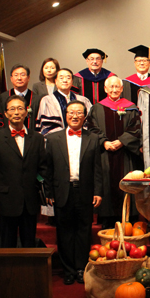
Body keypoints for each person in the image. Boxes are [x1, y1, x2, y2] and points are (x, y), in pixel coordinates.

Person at [45, 101, 102, 285]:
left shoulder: (93, 138)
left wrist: (98, 191)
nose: (75, 116)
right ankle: (68, 270)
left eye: (79, 112)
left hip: (84, 191)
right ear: (65, 115)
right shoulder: (53, 139)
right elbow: (48, 169)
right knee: (64, 232)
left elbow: (97, 168)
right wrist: (49, 192)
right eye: (71, 112)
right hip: (62, 191)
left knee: (84, 231)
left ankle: (81, 268)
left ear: (85, 116)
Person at [0, 95, 47, 248]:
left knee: (29, 242)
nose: (16, 112)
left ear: (27, 112)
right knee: (7, 243)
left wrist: (42, 189)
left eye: (20, 108)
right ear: (6, 114)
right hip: (6, 200)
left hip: (30, 200)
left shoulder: (37, 138)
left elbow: (43, 167)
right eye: (12, 109)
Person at [87, 76, 142, 228]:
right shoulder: (97, 108)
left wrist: (122, 141)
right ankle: (107, 223)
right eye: (111, 87)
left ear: (122, 88)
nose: (114, 89)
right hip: (105, 156)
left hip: (125, 155)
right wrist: (104, 142)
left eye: (117, 87)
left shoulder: (131, 107)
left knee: (126, 185)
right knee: (106, 184)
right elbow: (91, 128)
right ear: (105, 89)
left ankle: (128, 221)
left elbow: (136, 128)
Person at [36, 68, 92, 137]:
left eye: (68, 78)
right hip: (58, 141)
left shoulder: (83, 100)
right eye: (61, 78)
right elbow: (48, 126)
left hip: (80, 139)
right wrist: (65, 138)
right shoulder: (47, 100)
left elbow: (89, 123)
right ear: (56, 81)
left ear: (72, 81)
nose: (65, 80)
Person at [0, 64, 41, 134]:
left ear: (28, 78)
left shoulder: (37, 99)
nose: (19, 78)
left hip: (31, 140)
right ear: (11, 78)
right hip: (7, 140)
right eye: (16, 75)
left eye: (22, 75)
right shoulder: (3, 98)